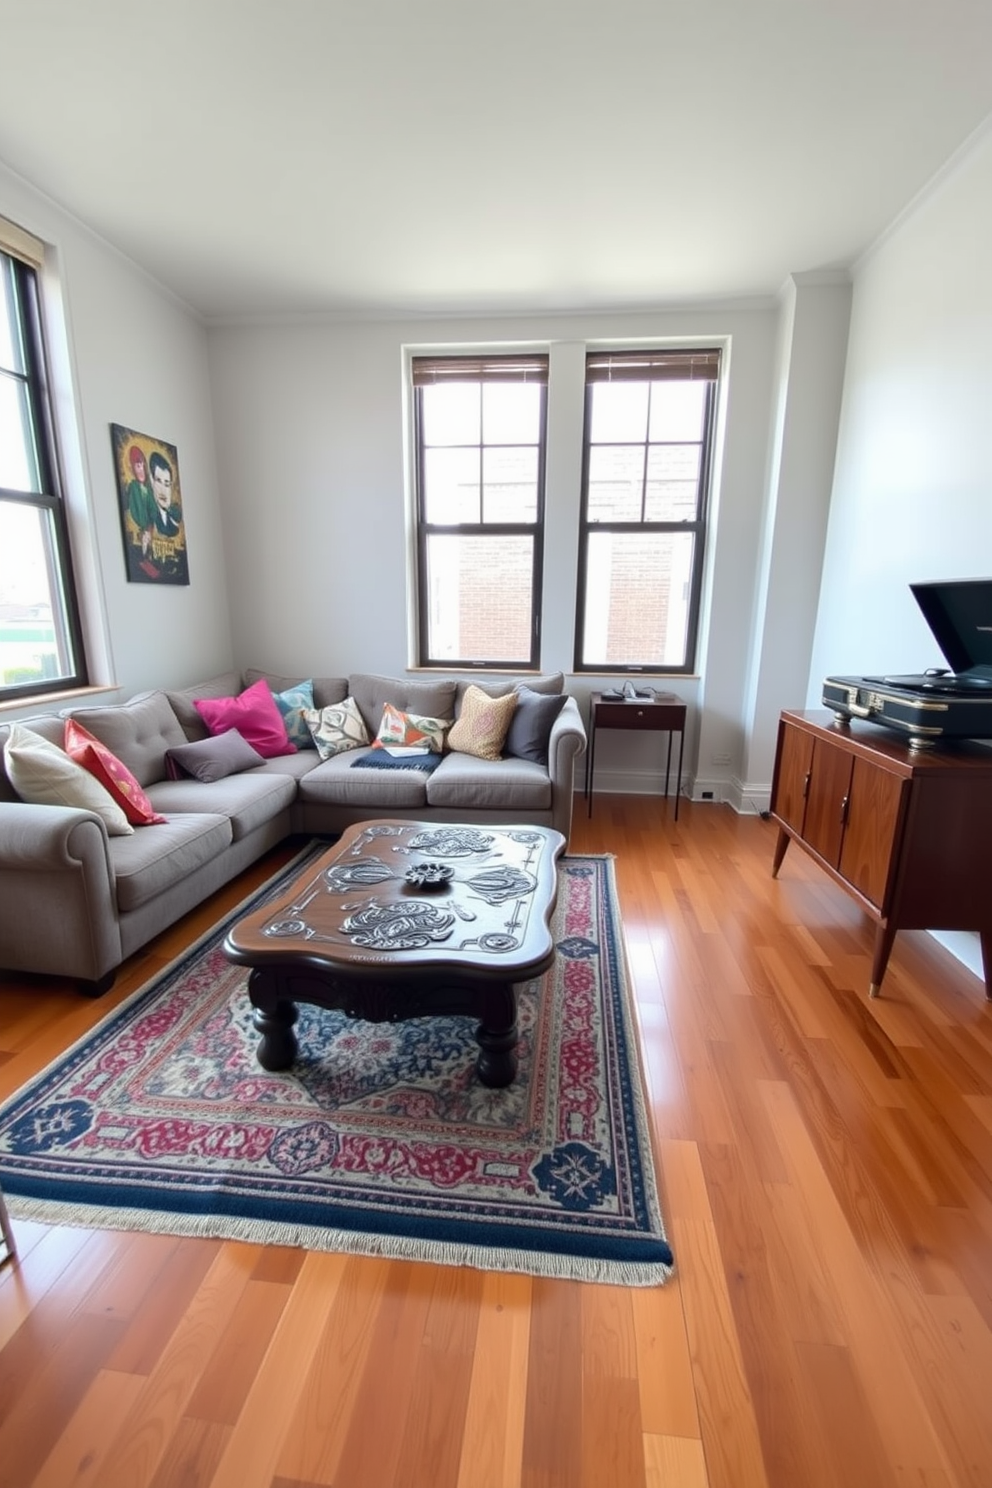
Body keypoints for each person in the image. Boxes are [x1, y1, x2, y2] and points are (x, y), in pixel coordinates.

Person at [125, 446, 156, 556]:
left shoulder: (149, 489)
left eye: (142, 465)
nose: (141, 469)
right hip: (140, 527)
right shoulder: (133, 487)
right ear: (133, 468)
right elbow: (133, 509)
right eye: (137, 466)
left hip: (149, 526)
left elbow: (153, 509)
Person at [149, 451, 182, 536]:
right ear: (152, 481)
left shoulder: (173, 519)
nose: (163, 490)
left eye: (167, 484)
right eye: (159, 481)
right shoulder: (149, 516)